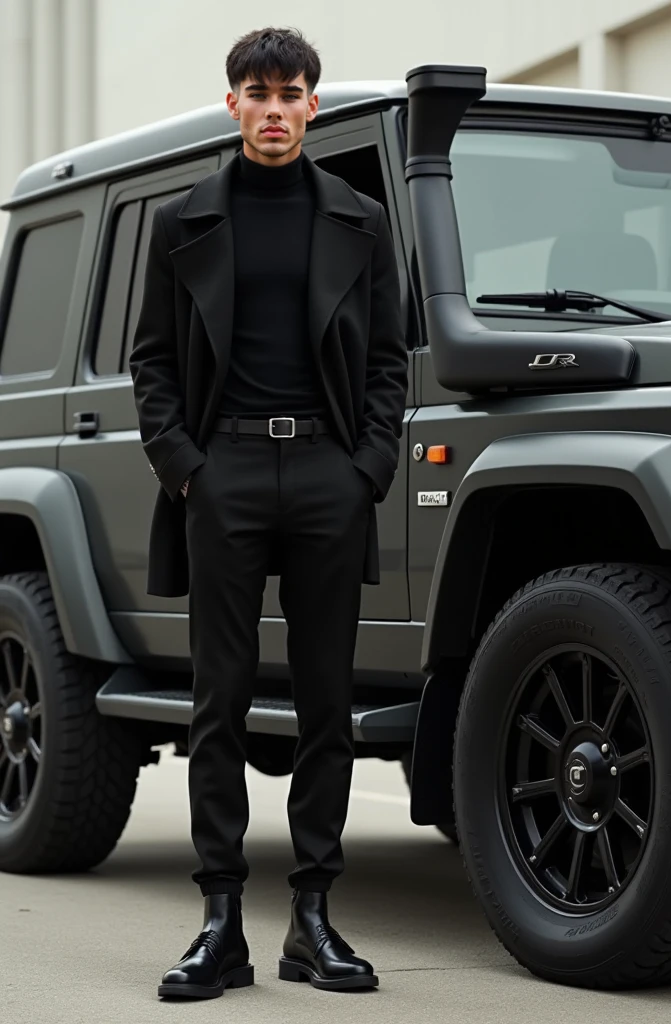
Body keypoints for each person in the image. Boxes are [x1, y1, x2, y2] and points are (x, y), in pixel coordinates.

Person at [129, 25, 408, 1000]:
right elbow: (152, 361)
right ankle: (220, 924)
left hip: (330, 472)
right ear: (234, 104)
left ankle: (313, 920)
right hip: (226, 473)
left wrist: (366, 469)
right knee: (221, 701)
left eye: (292, 93)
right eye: (260, 93)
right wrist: (187, 470)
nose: (276, 109)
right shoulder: (182, 221)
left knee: (327, 702)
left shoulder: (362, 220)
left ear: (312, 107)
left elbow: (388, 358)